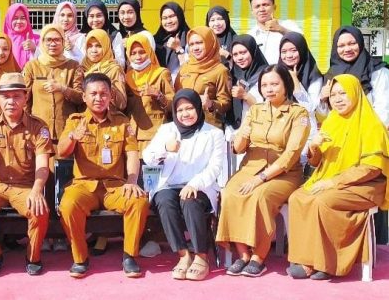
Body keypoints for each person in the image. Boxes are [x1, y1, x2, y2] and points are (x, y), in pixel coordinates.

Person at [287, 74, 389, 280]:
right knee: (297, 198)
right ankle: (305, 259)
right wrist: (313, 147)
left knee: (324, 201)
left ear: (356, 93)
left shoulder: (372, 124)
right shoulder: (332, 121)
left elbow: (371, 168)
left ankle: (327, 264)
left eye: (343, 93)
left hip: (366, 185)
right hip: (332, 181)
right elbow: (317, 163)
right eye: (333, 95)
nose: (338, 99)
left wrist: (333, 182)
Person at [216, 65, 310, 277]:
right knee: (230, 193)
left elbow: (291, 154)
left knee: (260, 196)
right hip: (251, 166)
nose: (269, 89)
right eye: (265, 85)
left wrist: (260, 178)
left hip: (284, 173)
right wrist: (243, 133)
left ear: (286, 85)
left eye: (275, 84)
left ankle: (259, 256)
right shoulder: (255, 110)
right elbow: (238, 148)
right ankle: (243, 255)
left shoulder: (299, 113)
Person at [57, 73, 148, 278]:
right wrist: (73, 137)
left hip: (114, 187)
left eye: (103, 93)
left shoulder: (122, 122)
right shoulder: (75, 121)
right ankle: (80, 258)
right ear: (84, 97)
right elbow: (62, 152)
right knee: (68, 205)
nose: (99, 98)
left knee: (138, 200)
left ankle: (130, 256)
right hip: (84, 186)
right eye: (94, 94)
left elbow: (132, 153)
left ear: (111, 96)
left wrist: (132, 181)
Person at [0, 72, 54, 277]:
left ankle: (33, 257)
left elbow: (43, 165)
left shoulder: (38, 126)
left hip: (25, 187)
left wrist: (37, 190)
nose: (11, 101)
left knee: (40, 210)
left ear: (26, 97)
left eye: (16, 96)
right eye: (6, 96)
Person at [143, 89, 225, 281]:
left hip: (201, 186)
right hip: (169, 184)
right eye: (180, 110)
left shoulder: (214, 133)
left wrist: (194, 184)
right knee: (164, 199)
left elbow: (215, 167)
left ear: (198, 108)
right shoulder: (167, 130)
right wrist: (165, 148)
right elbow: (148, 157)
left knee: (190, 200)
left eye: (189, 108)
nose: (185, 114)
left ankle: (201, 256)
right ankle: (183, 255)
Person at [23, 24, 84, 139]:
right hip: (38, 131)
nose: (53, 44)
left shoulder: (74, 66)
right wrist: (25, 126)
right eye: (48, 40)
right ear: (42, 42)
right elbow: (25, 100)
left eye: (57, 40)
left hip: (66, 131)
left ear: (63, 41)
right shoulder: (32, 66)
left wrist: (63, 89)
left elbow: (81, 98)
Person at [321, 25, 389, 126]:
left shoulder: (377, 71)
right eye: (341, 46)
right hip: (340, 130)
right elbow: (325, 113)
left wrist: (369, 131)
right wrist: (323, 97)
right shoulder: (332, 74)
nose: (347, 49)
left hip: (368, 129)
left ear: (360, 43)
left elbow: (383, 109)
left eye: (352, 43)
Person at [124, 33, 174, 152]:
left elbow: (173, 105)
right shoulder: (127, 77)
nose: (138, 57)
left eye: (142, 52)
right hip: (131, 136)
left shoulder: (161, 74)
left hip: (154, 135)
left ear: (149, 51)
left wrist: (158, 95)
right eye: (133, 53)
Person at [174, 26, 232, 130]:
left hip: (209, 128)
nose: (195, 48)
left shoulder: (221, 70)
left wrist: (211, 104)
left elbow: (226, 104)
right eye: (191, 44)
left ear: (209, 42)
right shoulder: (185, 68)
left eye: (200, 43)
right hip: (185, 127)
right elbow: (176, 96)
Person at [277, 32, 321, 151]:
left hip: (306, 135)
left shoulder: (314, 76)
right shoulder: (276, 74)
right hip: (280, 133)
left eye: (293, 50)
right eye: (284, 52)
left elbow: (309, 108)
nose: (289, 55)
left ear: (302, 50)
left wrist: (295, 81)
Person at [246, 0, 302, 64]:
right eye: (257, 6)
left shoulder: (288, 25)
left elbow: (302, 42)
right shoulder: (250, 35)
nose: (262, 9)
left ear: (274, 7)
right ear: (252, 11)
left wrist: (280, 29)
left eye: (265, 5)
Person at [228, 35, 269, 130]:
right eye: (235, 54)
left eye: (243, 53)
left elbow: (268, 110)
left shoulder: (266, 76)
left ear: (253, 51)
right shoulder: (232, 75)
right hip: (234, 130)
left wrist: (245, 95)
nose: (239, 58)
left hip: (258, 129)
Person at [81, 29, 126, 111]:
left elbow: (122, 104)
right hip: (86, 116)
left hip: (109, 116)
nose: (94, 50)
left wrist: (107, 84)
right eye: (90, 46)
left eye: (98, 46)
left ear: (106, 46)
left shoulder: (114, 69)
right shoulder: (82, 68)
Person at [154, 2, 191, 81]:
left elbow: (191, 68)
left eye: (172, 16)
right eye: (165, 18)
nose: (169, 21)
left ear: (180, 17)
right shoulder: (156, 41)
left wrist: (178, 48)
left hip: (183, 84)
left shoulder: (190, 38)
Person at [111, 0, 145, 69]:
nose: (126, 17)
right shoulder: (115, 35)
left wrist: (131, 44)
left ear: (137, 13)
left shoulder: (145, 35)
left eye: (130, 12)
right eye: (122, 13)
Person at [4, 3, 39, 69]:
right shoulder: (2, 40)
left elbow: (47, 60)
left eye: (23, 18)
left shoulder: (38, 40)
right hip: (7, 75)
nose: (19, 21)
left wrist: (35, 49)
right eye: (15, 18)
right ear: (9, 20)